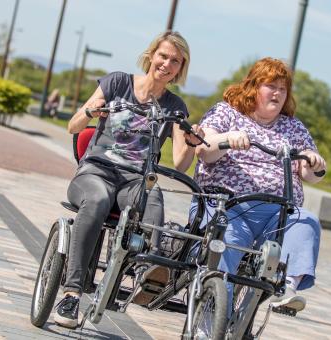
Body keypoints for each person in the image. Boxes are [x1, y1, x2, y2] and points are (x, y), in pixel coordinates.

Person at [54, 31, 203, 328]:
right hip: (96, 172)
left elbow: (181, 164)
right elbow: (74, 126)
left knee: (153, 197)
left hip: (135, 181)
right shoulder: (118, 83)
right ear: (151, 56)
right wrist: (90, 112)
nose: (167, 64)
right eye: (163, 56)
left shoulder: (175, 107)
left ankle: (149, 271)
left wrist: (191, 143)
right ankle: (71, 293)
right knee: (96, 200)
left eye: (175, 60)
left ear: (180, 68)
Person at [190, 57, 326, 313]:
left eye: (283, 89)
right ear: (253, 87)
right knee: (226, 238)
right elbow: (204, 150)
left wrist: (314, 163)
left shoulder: (293, 128)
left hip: (276, 212)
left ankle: (287, 288)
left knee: (307, 221)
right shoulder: (227, 113)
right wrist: (227, 139)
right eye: (271, 85)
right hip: (229, 205)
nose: (277, 93)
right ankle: (215, 311)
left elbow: (310, 173)